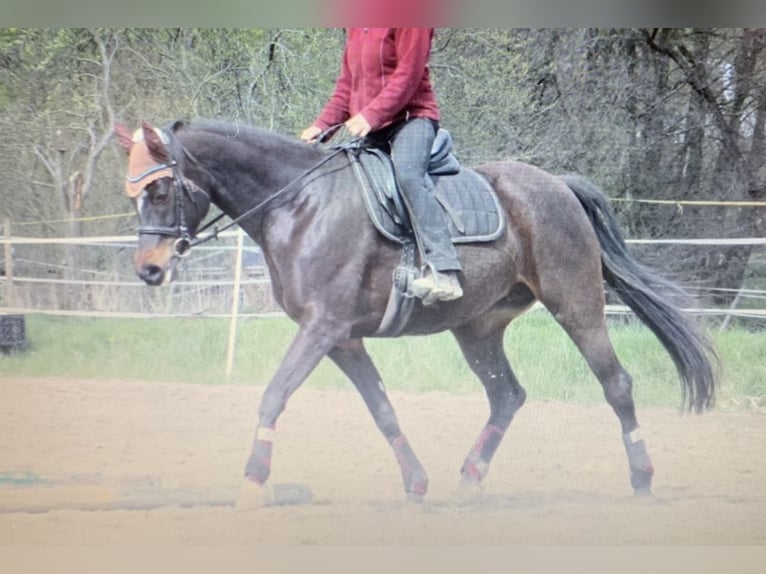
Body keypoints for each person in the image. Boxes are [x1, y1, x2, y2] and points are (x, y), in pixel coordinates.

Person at [301, 28, 462, 305]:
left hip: (412, 119)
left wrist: (371, 115)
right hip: (372, 127)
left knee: (409, 177)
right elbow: (346, 86)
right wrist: (321, 126)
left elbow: (408, 75)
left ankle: (445, 271)